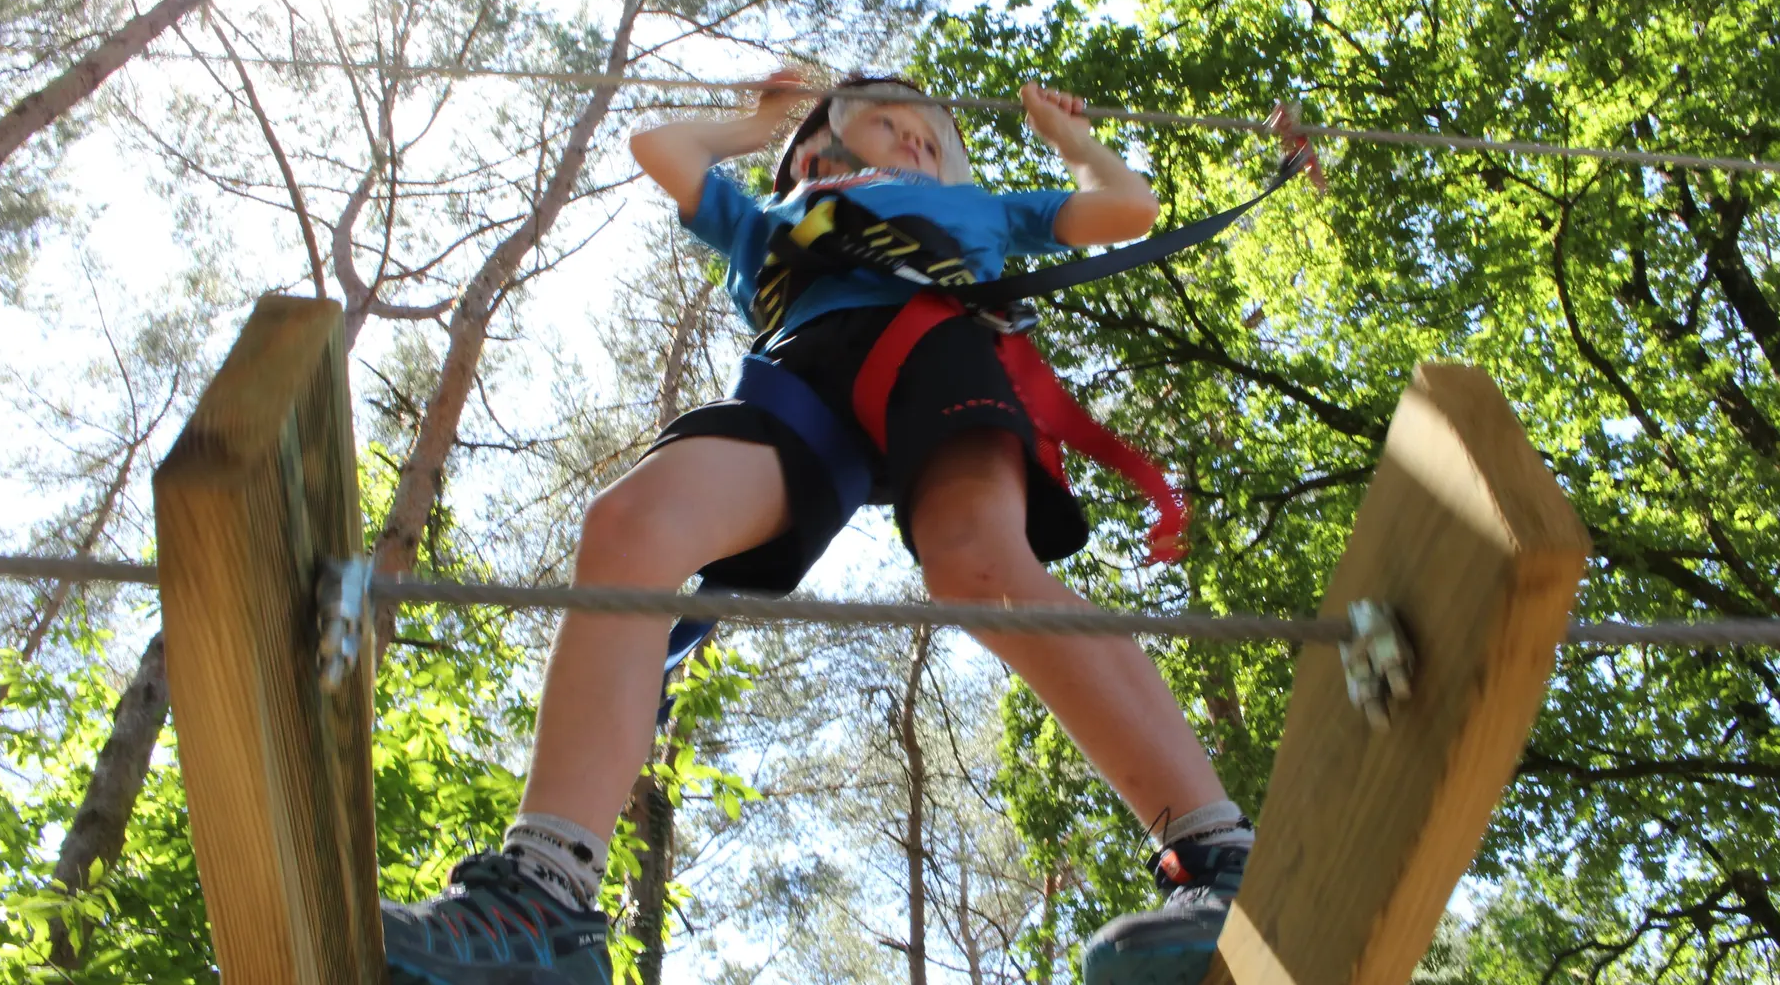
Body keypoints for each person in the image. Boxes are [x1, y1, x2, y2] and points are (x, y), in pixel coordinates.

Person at [380, 69, 1257, 985]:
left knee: (980, 566)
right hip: (804, 382)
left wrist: (1070, 141)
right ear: (815, 151)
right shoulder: (771, 221)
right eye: (891, 124)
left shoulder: (984, 210)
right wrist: (755, 125)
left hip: (936, 342)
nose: (921, 138)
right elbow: (662, 151)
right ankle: (543, 897)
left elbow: (1127, 208)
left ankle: (1219, 853)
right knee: (631, 525)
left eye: (936, 134)